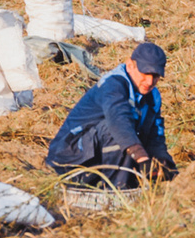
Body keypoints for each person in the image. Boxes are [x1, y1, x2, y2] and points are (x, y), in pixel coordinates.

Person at [45, 41, 174, 189]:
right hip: (70, 159)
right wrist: (142, 158)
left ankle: (125, 185)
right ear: (130, 65)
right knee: (120, 132)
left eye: (156, 76)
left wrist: (165, 164)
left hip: (100, 154)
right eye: (145, 73)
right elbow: (119, 123)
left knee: (137, 141)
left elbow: (155, 136)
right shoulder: (113, 85)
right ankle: (116, 192)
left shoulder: (152, 96)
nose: (150, 81)